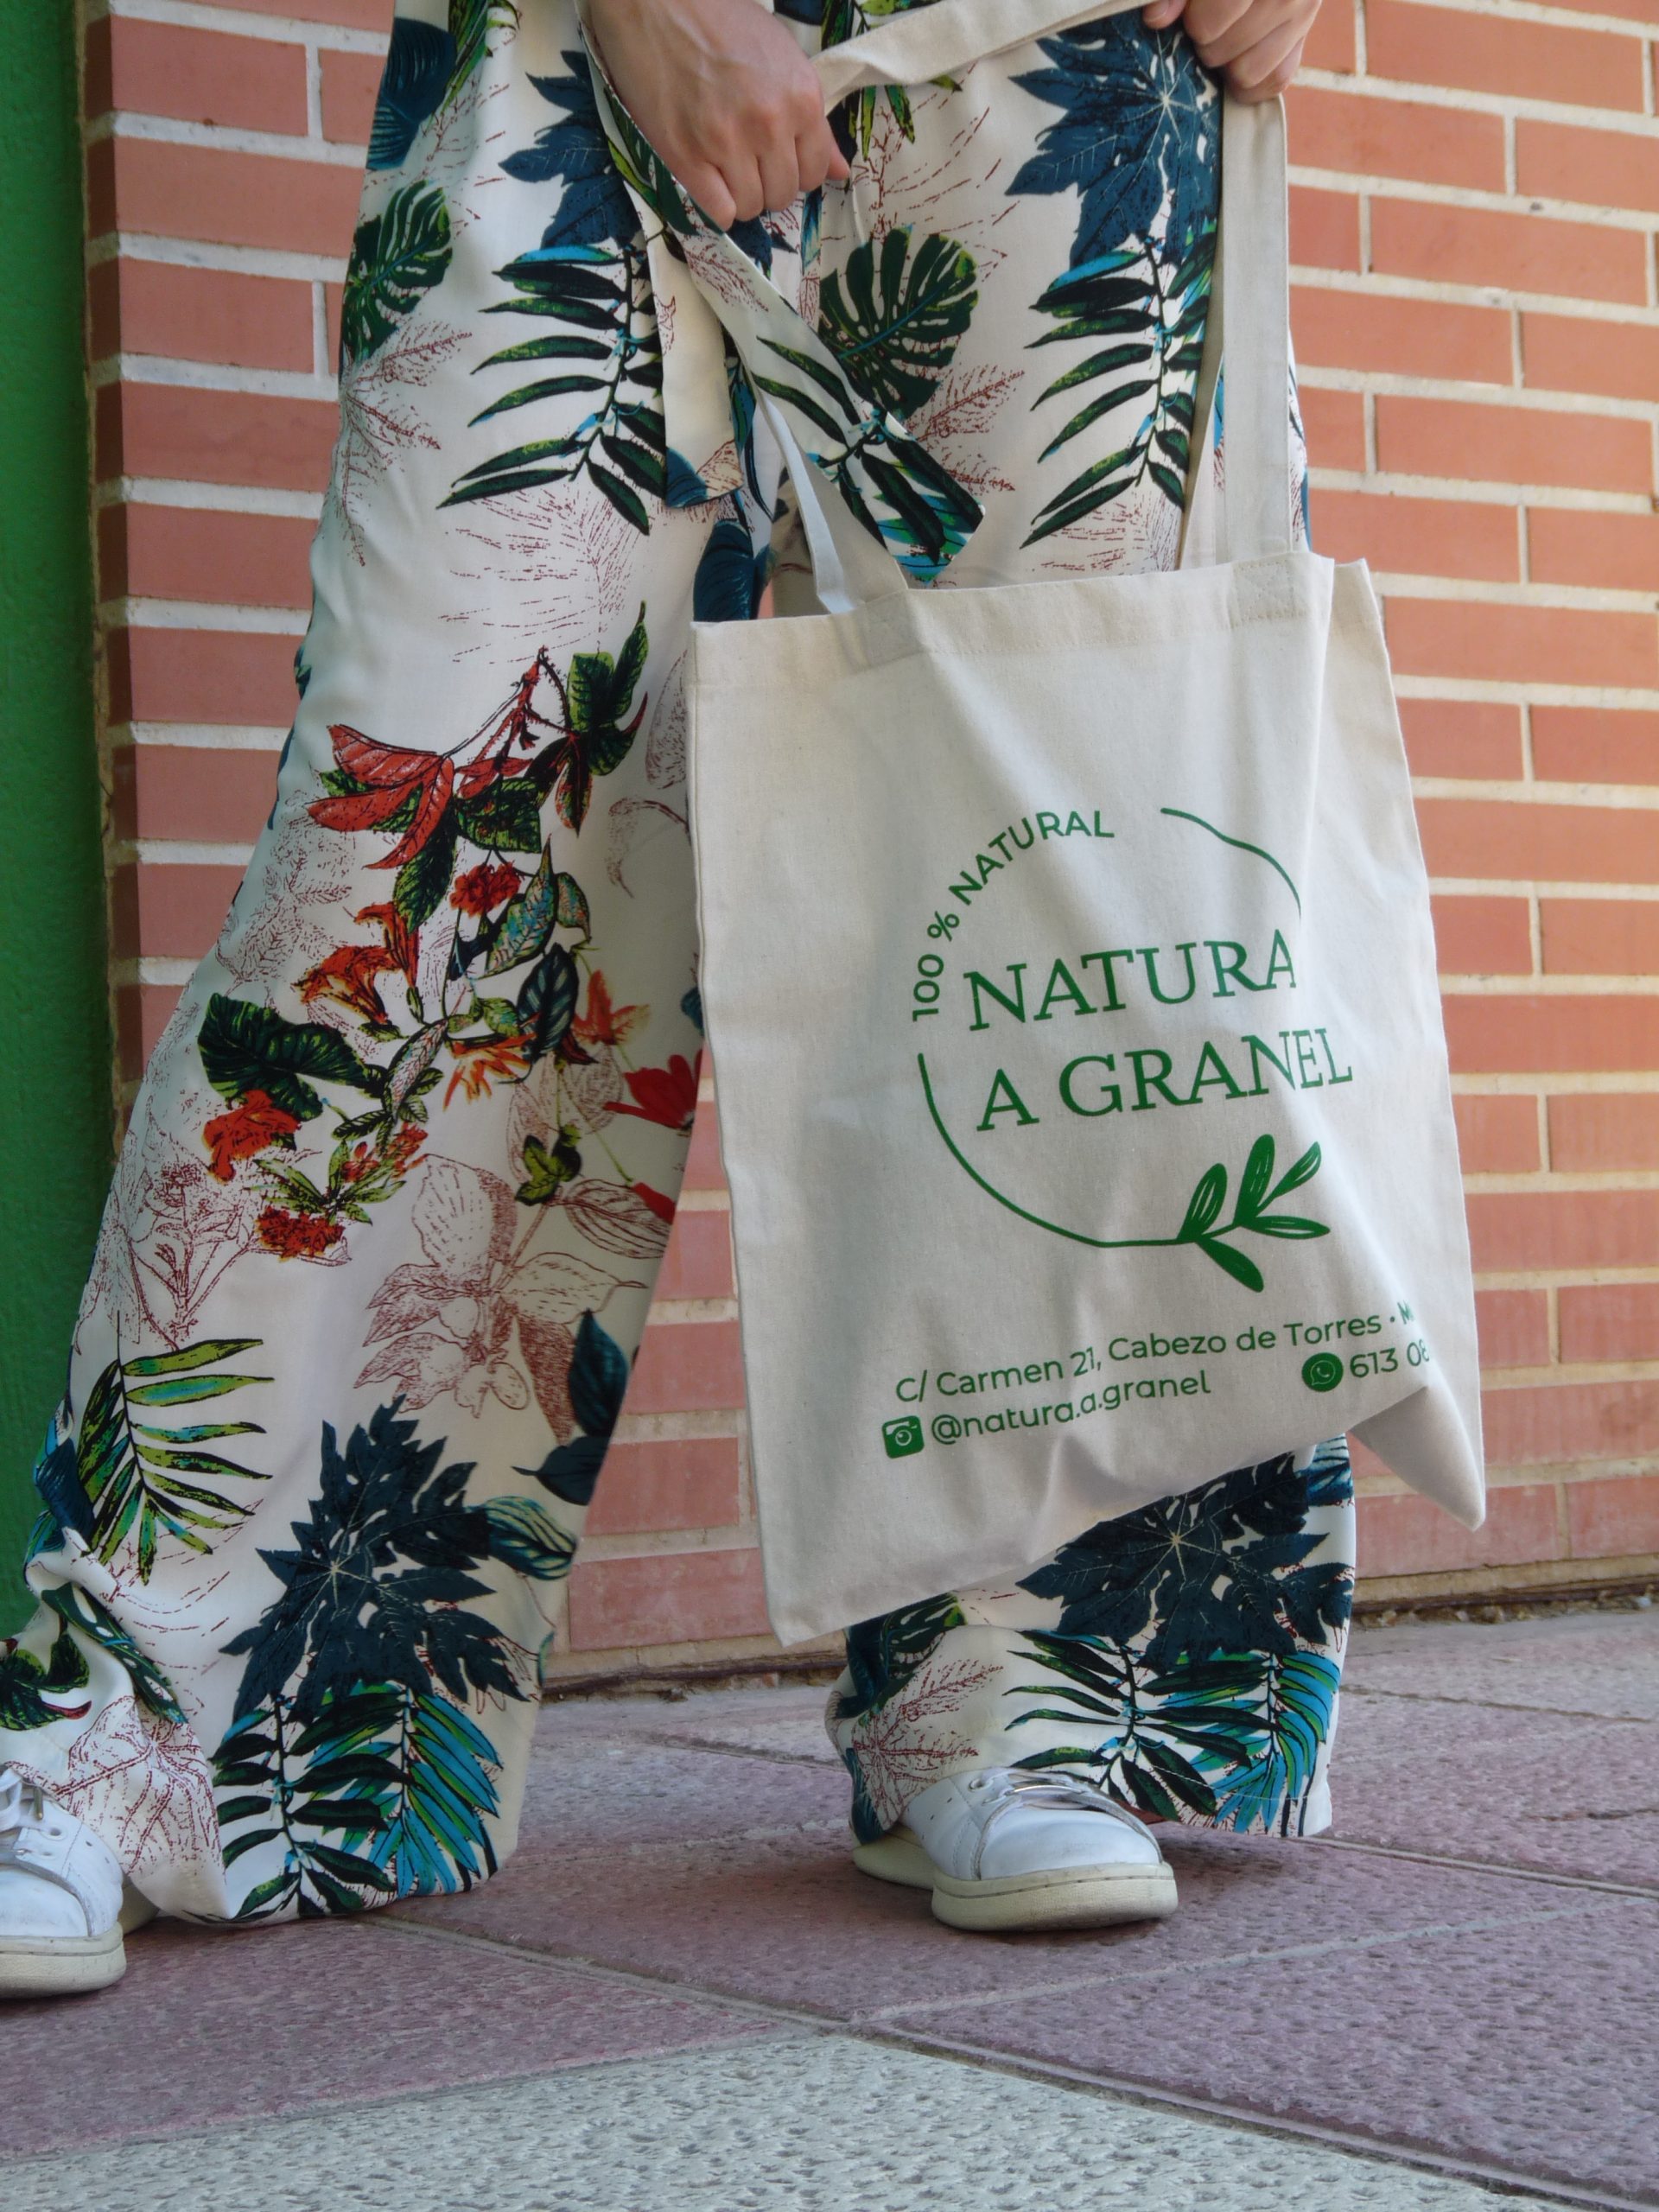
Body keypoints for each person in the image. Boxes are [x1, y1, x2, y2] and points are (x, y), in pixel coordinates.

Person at [0, 0, 1336, 1996]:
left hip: (1074, 58)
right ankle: (140, 1705)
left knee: (1057, 873)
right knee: (428, 829)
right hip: (583, 44)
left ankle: (1011, 1683)